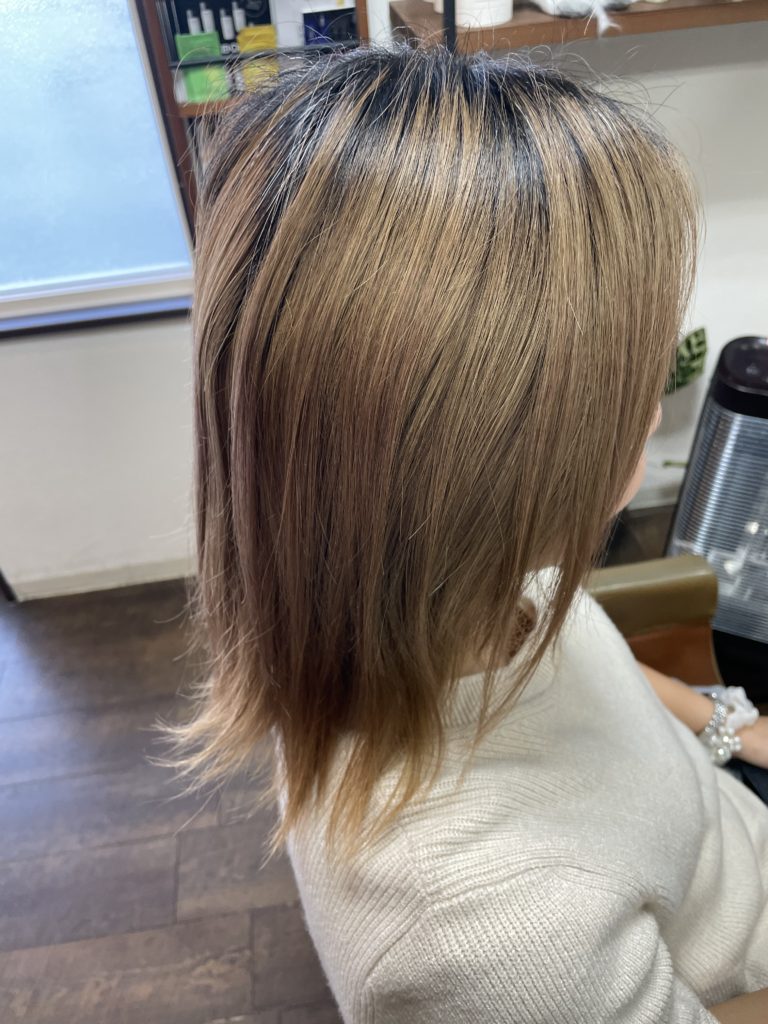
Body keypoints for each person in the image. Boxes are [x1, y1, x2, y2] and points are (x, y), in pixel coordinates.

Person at [174, 44, 768, 1022]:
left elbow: (591, 670)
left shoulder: (468, 585)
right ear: (527, 460)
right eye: (635, 371)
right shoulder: (492, 936)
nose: (652, 393)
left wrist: (733, 729)